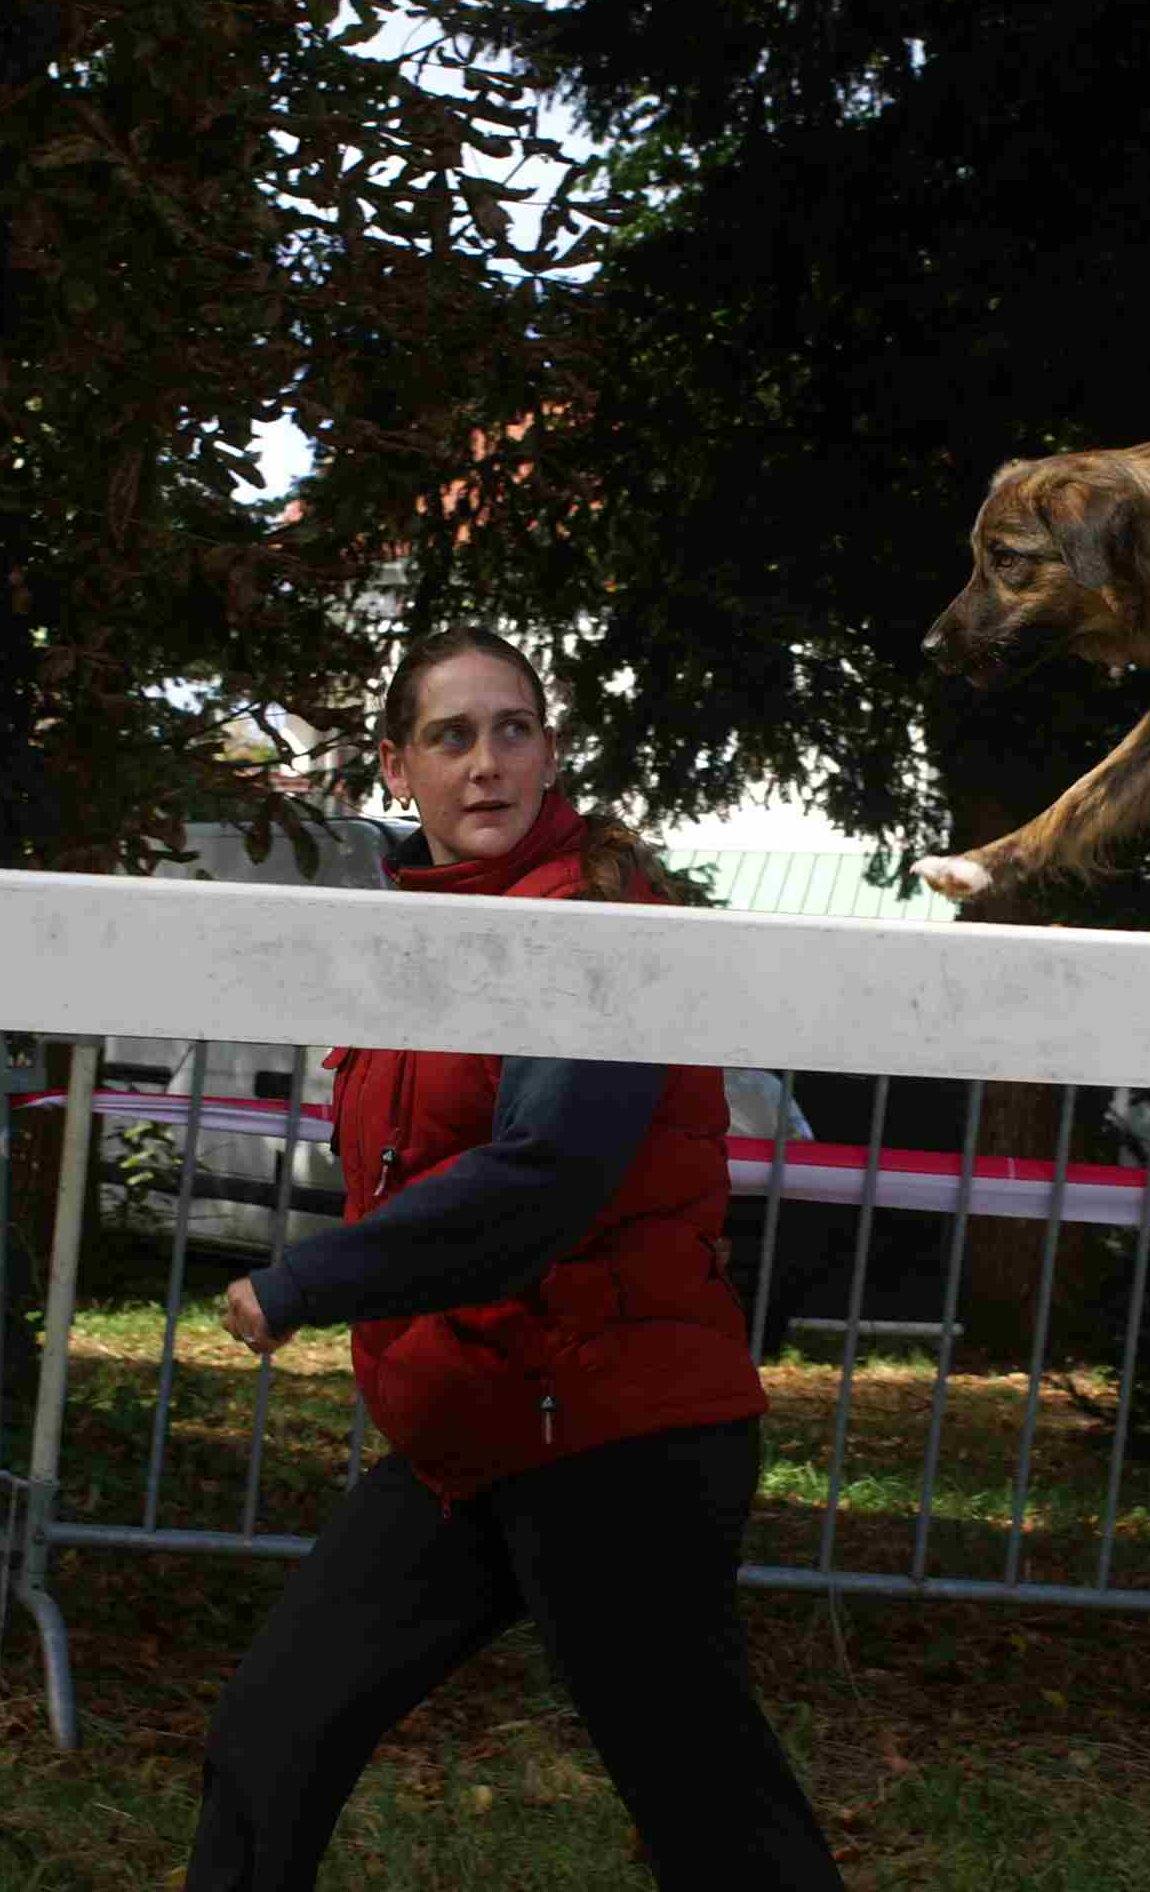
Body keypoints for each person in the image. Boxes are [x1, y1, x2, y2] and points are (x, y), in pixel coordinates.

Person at [187, 626, 844, 1891]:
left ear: (548, 752)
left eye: (512, 730)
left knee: (712, 1813)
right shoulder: (428, 938)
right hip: (478, 1425)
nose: (485, 762)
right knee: (268, 1741)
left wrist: (304, 1281)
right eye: (450, 737)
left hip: (619, 1439)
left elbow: (543, 1179)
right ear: (396, 767)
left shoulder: (597, 926)